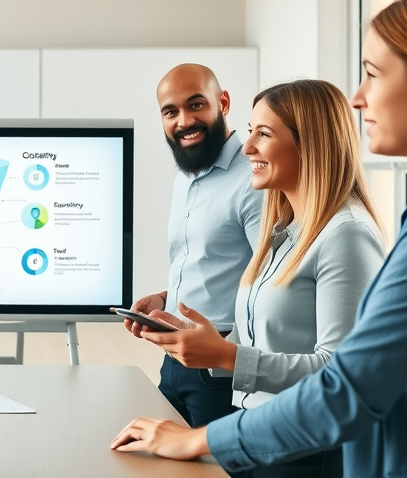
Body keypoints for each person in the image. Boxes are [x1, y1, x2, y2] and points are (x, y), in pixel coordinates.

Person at [111, 0, 407, 477]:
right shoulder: (298, 228)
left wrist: (201, 434)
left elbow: (348, 386)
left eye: (373, 74)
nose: (357, 98)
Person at [137, 79, 385, 477]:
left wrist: (223, 355)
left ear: (311, 143)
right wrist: (198, 342)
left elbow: (341, 374)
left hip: (305, 450)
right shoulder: (285, 230)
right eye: (250, 131)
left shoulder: (346, 234)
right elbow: (268, 339)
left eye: (263, 134)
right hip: (257, 432)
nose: (248, 146)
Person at [125, 63, 263, 428]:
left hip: (219, 364)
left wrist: (225, 353)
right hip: (173, 358)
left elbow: (270, 285)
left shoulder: (255, 179)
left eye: (196, 105)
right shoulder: (187, 174)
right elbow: (209, 262)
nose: (184, 121)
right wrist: (164, 298)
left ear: (224, 102)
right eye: (171, 112)